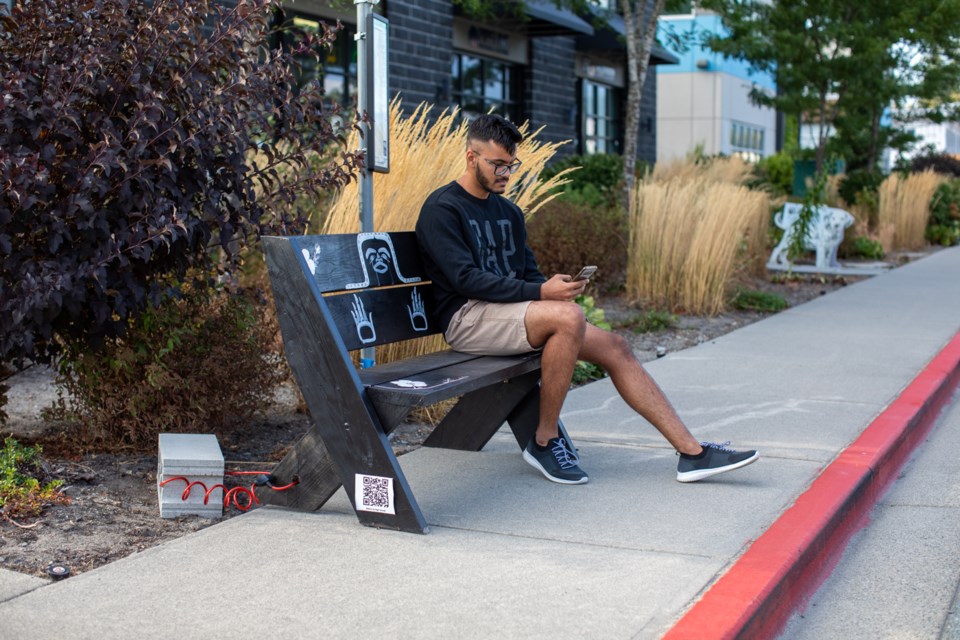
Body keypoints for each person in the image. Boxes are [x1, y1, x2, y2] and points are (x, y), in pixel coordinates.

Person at [415, 114, 759, 485]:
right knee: (568, 318)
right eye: (498, 164)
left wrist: (553, 287)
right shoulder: (443, 209)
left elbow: (528, 275)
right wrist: (542, 295)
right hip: (468, 318)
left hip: (511, 314)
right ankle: (545, 440)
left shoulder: (509, 212)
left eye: (511, 165)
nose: (506, 173)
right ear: (471, 158)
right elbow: (465, 280)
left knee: (616, 346)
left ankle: (692, 453)